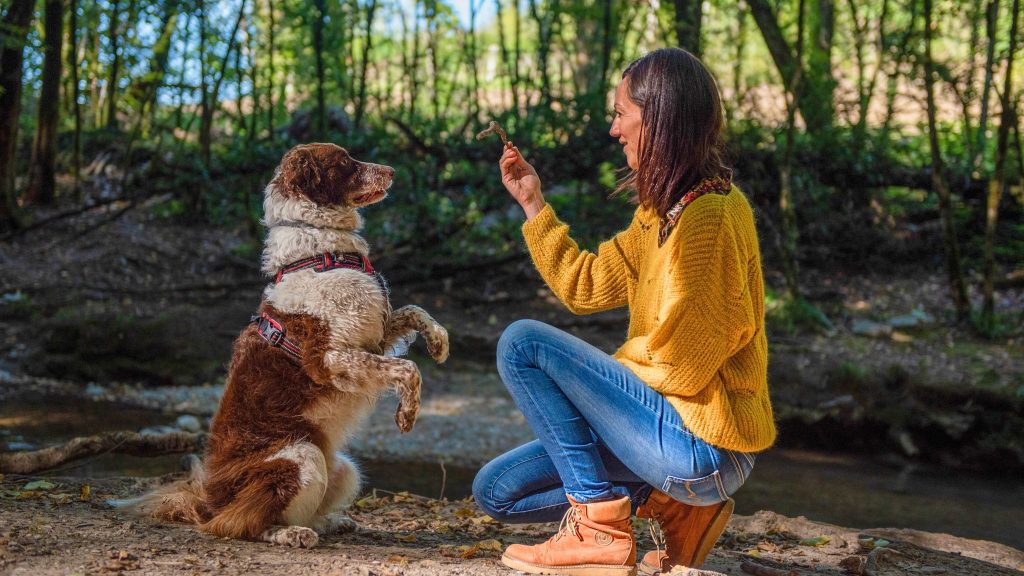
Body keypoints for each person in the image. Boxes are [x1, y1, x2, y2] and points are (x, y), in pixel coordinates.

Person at [472, 47, 776, 576]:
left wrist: (592, 388)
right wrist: (533, 204)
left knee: (523, 343)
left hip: (705, 447)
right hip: (667, 440)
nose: (614, 129)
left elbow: (682, 362)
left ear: (657, 116)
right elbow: (583, 287)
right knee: (497, 492)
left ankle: (599, 528)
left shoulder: (712, 218)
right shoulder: (659, 215)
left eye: (620, 113)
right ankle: (673, 512)